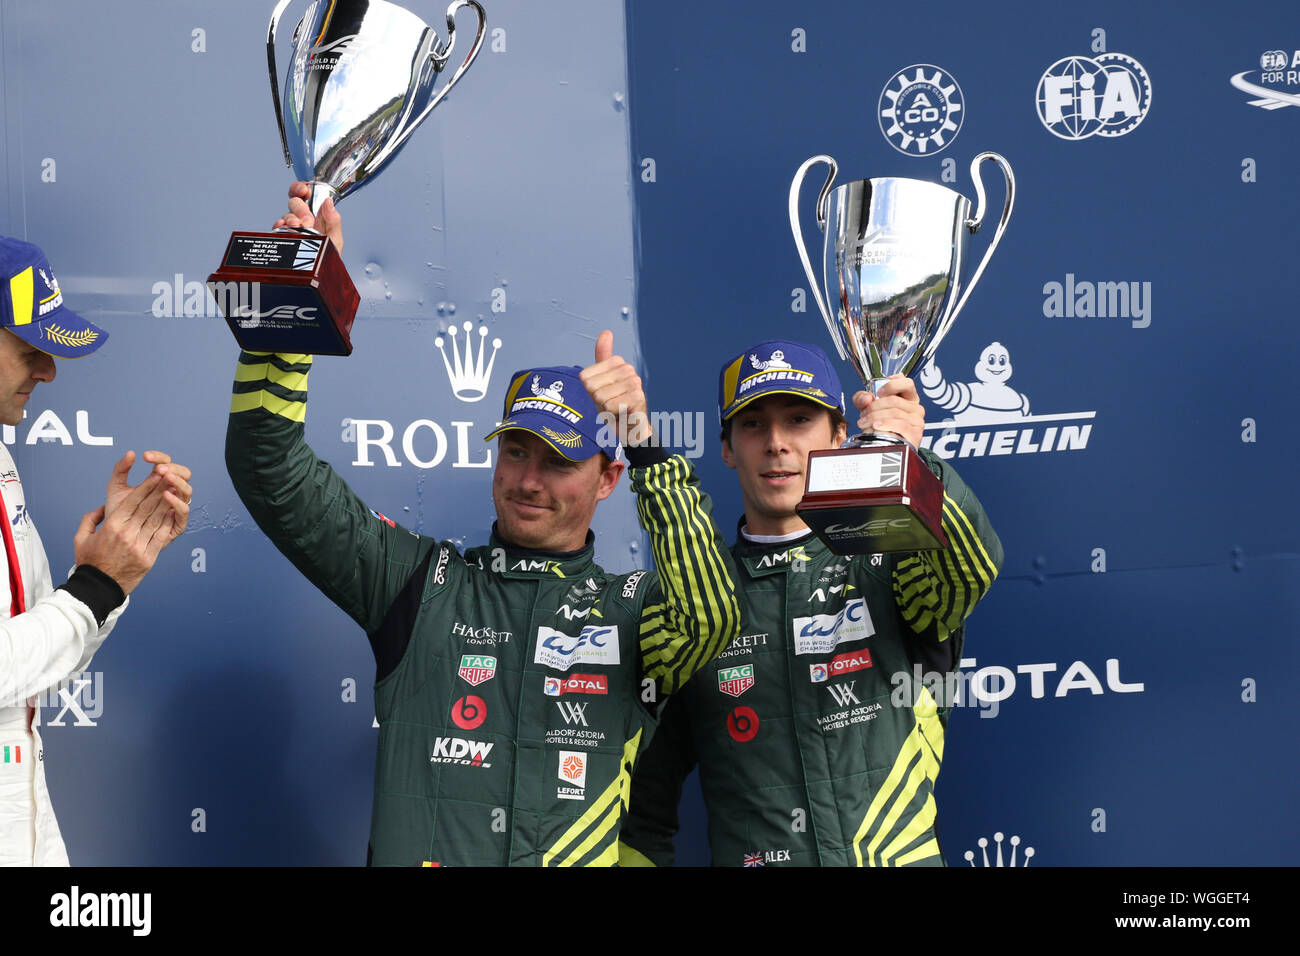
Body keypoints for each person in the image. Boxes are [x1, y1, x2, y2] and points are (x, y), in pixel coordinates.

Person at [223, 185, 739, 866]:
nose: (529, 479)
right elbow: (269, 467)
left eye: (559, 462)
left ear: (609, 479)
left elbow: (711, 614)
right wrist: (293, 304)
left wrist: (644, 444)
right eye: (517, 451)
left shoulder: (633, 611)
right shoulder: (416, 582)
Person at [619, 338, 1002, 867]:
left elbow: (972, 566)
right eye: (753, 425)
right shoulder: (695, 607)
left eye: (799, 420)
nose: (776, 444)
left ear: (840, 436)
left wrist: (911, 462)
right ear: (727, 448)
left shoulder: (890, 560)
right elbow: (642, 814)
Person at [0, 236, 192, 866]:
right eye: (30, 347)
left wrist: (111, 577)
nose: (50, 369)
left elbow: (37, 670)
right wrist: (92, 587)